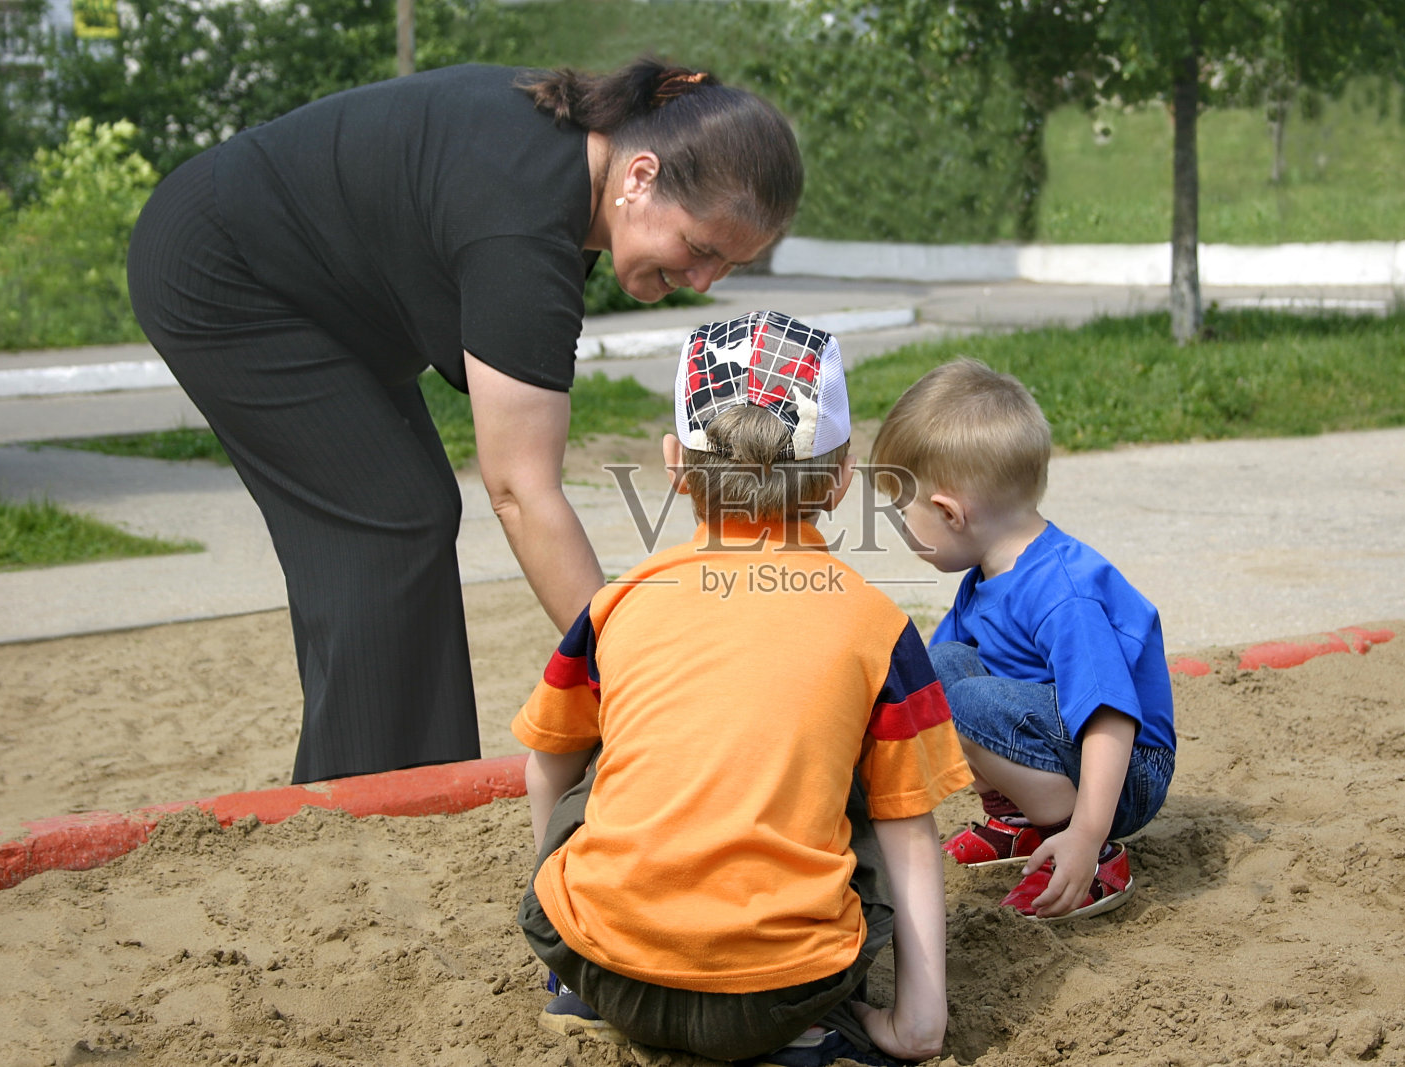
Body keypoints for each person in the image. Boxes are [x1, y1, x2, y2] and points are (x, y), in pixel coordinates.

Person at [126, 60, 801, 784]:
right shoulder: (525, 223)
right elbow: (519, 490)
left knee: (407, 511)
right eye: (700, 249)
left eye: (730, 266)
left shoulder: (567, 171)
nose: (702, 283)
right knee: (387, 517)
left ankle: (411, 783)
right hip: (225, 274)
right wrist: (636, 677)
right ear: (639, 176)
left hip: (316, 294)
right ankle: (364, 797)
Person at [511, 311, 973, 1066]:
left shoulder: (618, 604)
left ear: (673, 464)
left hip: (610, 967)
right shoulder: (878, 626)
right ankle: (813, 1036)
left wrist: (569, 951)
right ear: (842, 475)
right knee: (869, 790)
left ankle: (574, 994)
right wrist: (920, 1022)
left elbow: (544, 769)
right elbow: (910, 831)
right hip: (778, 996)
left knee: (586, 761)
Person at [869, 358, 1176, 921]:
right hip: (1059, 741)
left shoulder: (1064, 592)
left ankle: (1090, 856)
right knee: (938, 671)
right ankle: (1020, 821)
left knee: (966, 701)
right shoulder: (985, 577)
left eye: (901, 514)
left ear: (949, 512)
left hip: (1125, 770)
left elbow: (1111, 718)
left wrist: (1087, 833)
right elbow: (926, 693)